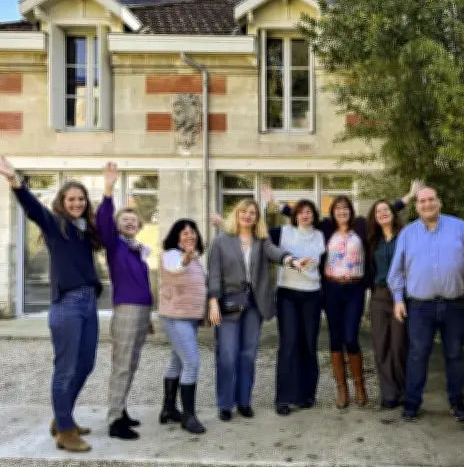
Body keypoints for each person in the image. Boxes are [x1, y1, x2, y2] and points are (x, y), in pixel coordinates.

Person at [0, 153, 102, 453]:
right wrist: (14, 181)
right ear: (62, 202)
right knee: (65, 369)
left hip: (88, 303)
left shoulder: (86, 230)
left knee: (86, 365)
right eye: (71, 199)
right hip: (67, 306)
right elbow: (33, 208)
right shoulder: (55, 224)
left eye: (81, 199)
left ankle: (63, 418)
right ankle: (64, 431)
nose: (77, 204)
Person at [272, 181, 421, 409]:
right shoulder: (326, 228)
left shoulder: (361, 226)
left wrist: (408, 197)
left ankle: (359, 386)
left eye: (345, 208)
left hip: (354, 290)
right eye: (337, 209)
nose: (342, 212)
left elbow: (384, 212)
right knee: (334, 338)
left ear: (351, 211)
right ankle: (342, 390)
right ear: (333, 212)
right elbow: (302, 215)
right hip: (331, 289)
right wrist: (279, 205)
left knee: (350, 337)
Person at [207, 198, 312, 421]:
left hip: (254, 305)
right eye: (244, 211)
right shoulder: (221, 241)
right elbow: (214, 274)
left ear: (257, 218)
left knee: (247, 355)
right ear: (236, 214)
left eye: (252, 212)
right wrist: (213, 301)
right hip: (227, 304)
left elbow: (276, 252)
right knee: (226, 354)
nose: (247, 215)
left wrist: (293, 261)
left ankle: (244, 401)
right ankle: (225, 404)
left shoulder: (261, 241)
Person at [388, 186, 464, 422]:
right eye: (422, 201)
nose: (427, 204)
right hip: (419, 307)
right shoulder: (407, 233)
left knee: (455, 354)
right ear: (417, 206)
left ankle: (456, 402)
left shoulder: (460, 227)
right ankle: (412, 403)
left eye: (431, 199)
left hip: (454, 305)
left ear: (440, 202)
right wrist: (398, 299)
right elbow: (395, 271)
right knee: (417, 355)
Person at [96, 162, 155, 440]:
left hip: (142, 311)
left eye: (134, 220)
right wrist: (108, 190)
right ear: (118, 225)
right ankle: (114, 419)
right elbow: (104, 223)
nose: (130, 222)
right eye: (125, 219)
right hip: (127, 310)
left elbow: (143, 284)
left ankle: (122, 409)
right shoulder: (115, 244)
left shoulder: (137, 250)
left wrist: (150, 316)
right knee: (121, 364)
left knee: (131, 363)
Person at [268, 200, 326, 415]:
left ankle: (306, 394)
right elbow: (258, 234)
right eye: (300, 212)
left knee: (309, 345)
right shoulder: (282, 232)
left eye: (309, 212)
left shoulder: (321, 235)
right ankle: (284, 398)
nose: (304, 215)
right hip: (288, 295)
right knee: (289, 344)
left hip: (313, 295)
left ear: (314, 215)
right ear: (294, 215)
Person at [158, 219, 208, 434]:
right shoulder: (171, 255)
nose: (190, 235)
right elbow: (176, 268)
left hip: (189, 318)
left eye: (193, 232)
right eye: (184, 232)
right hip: (175, 317)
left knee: (176, 363)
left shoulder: (196, 258)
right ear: (176, 237)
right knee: (192, 362)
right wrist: (186, 259)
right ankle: (189, 416)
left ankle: (168, 409)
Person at [366, 199, 407, 409]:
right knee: (381, 345)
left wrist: (407, 198)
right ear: (374, 217)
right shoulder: (373, 240)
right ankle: (389, 393)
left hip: (403, 297)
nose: (382, 213)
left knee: (399, 345)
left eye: (386, 209)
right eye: (378, 211)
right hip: (379, 296)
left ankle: (404, 390)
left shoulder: (406, 235)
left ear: (393, 212)